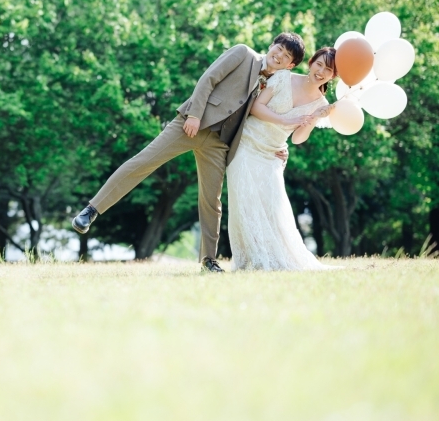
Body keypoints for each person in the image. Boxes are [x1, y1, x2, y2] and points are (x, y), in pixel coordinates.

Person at [71, 33, 306, 272]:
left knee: (211, 200)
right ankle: (91, 210)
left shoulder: (274, 84)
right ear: (271, 45)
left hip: (219, 143)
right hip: (191, 125)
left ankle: (209, 260)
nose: (279, 56)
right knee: (143, 162)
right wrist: (194, 115)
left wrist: (278, 147)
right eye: (279, 49)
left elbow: (261, 120)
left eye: (286, 56)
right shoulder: (243, 53)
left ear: (290, 65)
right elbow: (208, 79)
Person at [226, 46, 339, 271]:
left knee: (274, 209)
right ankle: (251, 260)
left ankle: (273, 259)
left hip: (272, 154)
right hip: (246, 145)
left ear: (333, 76)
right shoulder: (283, 76)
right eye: (319, 64)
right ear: (311, 62)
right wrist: (284, 120)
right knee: (244, 205)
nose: (321, 71)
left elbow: (298, 138)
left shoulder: (321, 105)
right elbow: (256, 108)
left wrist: (314, 118)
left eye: (328, 69)